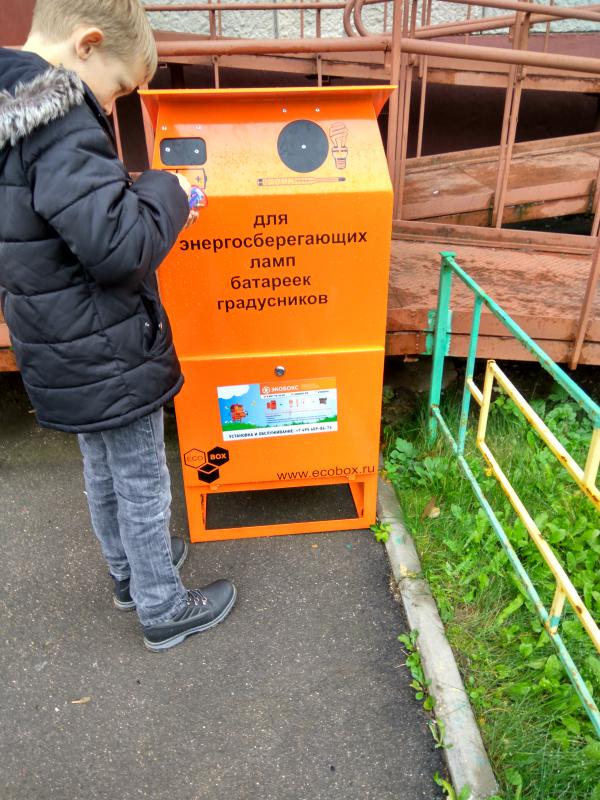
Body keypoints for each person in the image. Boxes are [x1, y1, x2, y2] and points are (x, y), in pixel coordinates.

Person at [0, 0, 236, 652]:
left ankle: (129, 574)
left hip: (55, 341)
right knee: (140, 479)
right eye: (121, 87)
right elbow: (118, 248)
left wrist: (127, 192)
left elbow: (63, 219)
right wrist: (167, 191)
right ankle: (164, 606)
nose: (113, 105)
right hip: (107, 344)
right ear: (88, 44)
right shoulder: (61, 122)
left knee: (102, 467)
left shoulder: (12, 112)